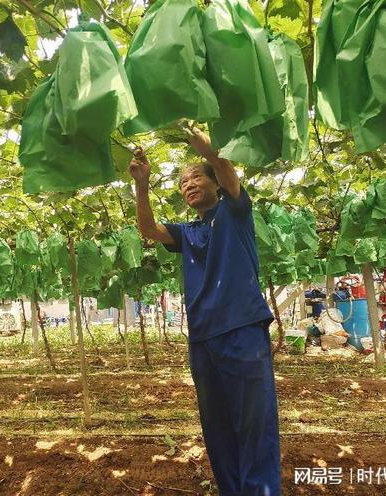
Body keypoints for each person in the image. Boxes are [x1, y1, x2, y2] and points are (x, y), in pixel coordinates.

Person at [129, 128, 281, 496]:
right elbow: (148, 229)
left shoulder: (235, 212)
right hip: (202, 338)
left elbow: (230, 178)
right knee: (218, 427)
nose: (189, 184)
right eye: (183, 182)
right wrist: (142, 184)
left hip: (242, 329)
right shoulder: (187, 232)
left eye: (196, 176)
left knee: (253, 424)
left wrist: (211, 153)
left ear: (214, 183)